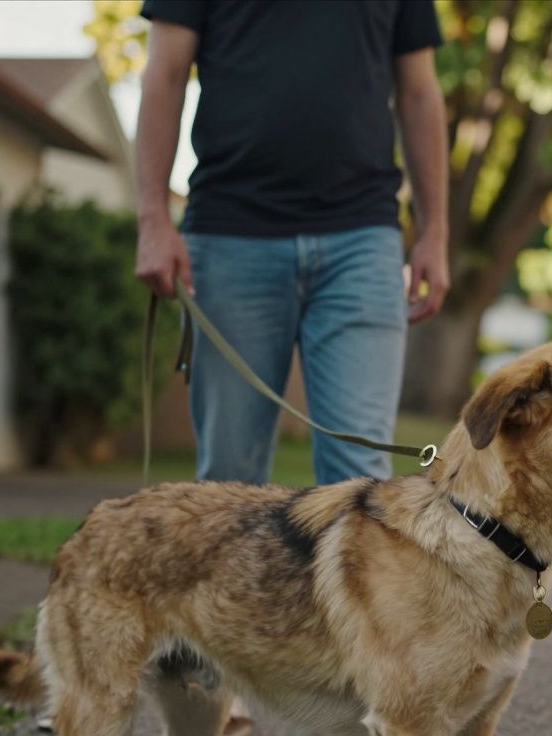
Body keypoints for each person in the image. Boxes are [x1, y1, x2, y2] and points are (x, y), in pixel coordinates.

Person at [134, 1, 449, 487]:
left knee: (359, 481)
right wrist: (153, 218)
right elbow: (165, 73)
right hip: (229, 237)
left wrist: (435, 231)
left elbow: (420, 92)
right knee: (228, 481)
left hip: (362, 241)